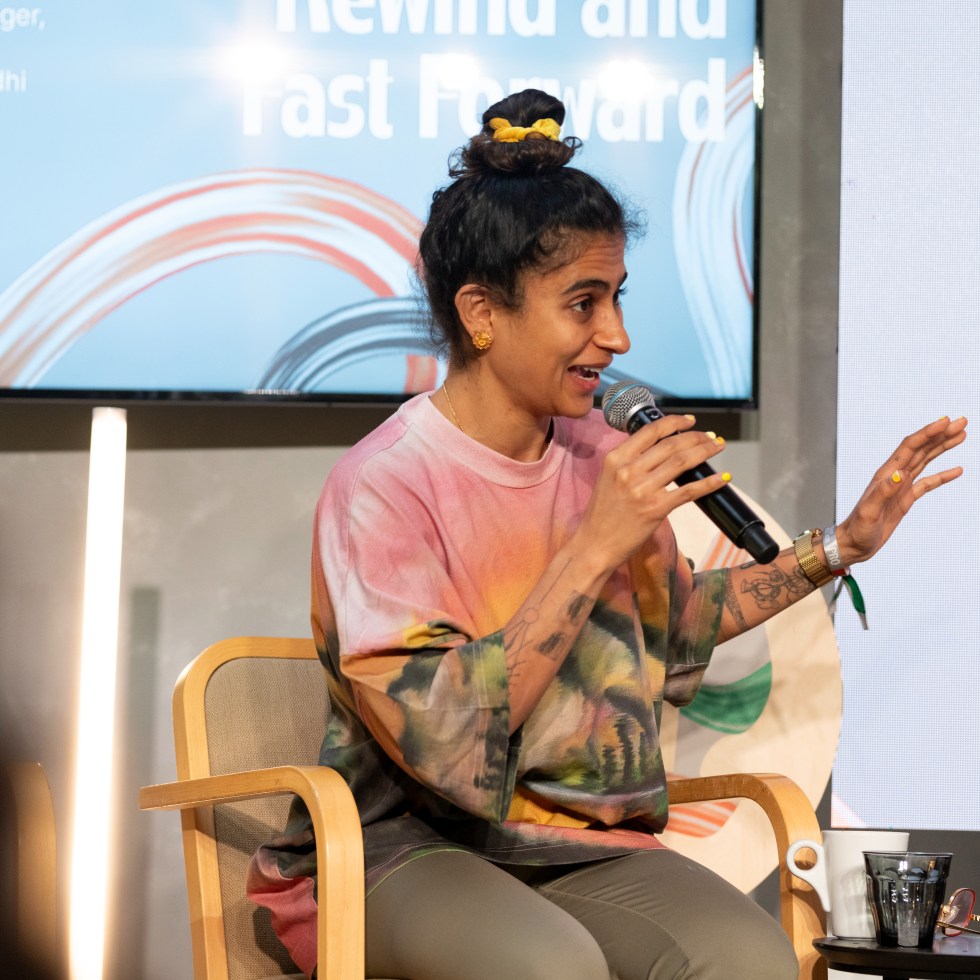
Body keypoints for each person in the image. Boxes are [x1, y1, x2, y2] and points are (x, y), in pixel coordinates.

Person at [248, 89, 967, 980]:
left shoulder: (599, 453)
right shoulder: (384, 485)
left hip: (578, 842)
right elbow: (444, 744)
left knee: (750, 960)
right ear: (481, 312)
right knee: (546, 967)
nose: (617, 336)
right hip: (403, 848)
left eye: (617, 298)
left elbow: (676, 627)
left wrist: (838, 549)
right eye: (583, 303)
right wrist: (593, 545)